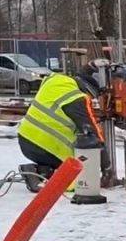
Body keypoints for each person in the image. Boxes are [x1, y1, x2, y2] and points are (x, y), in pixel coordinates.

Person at [18, 59, 109, 191]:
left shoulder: (57, 82)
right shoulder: (77, 99)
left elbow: (81, 76)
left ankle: (39, 171)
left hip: (25, 140)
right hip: (45, 146)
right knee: (80, 177)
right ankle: (40, 173)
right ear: (88, 91)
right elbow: (92, 132)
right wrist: (106, 167)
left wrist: (91, 66)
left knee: (65, 166)